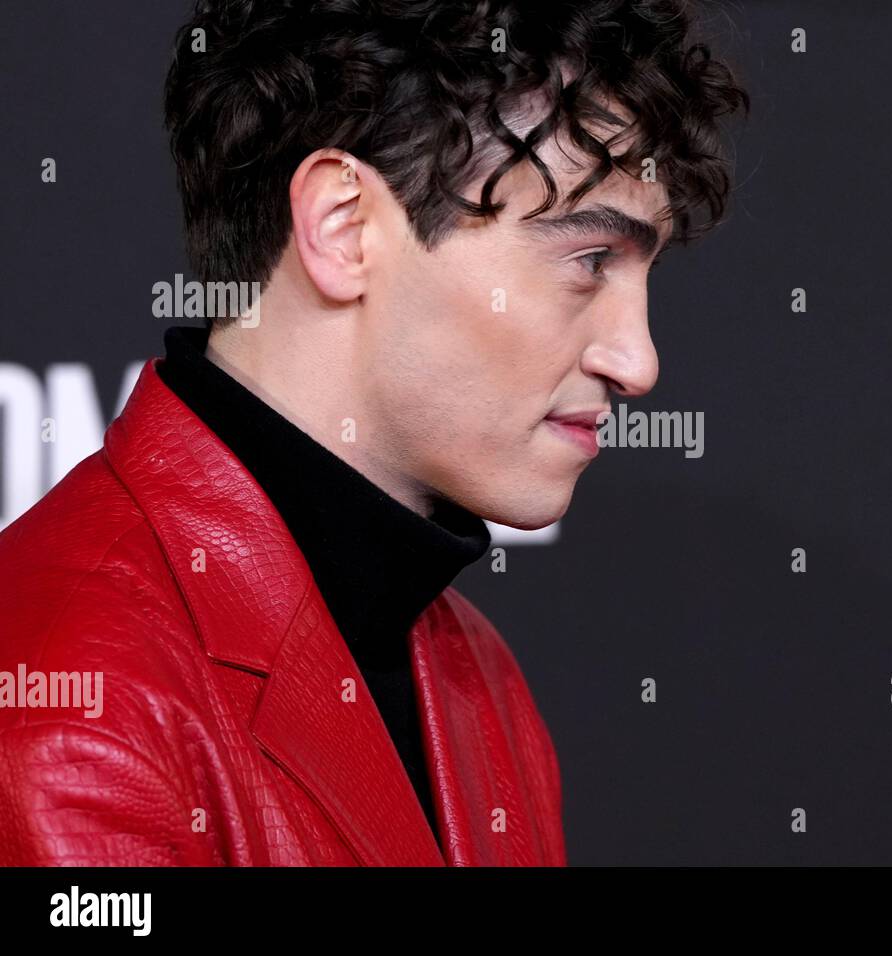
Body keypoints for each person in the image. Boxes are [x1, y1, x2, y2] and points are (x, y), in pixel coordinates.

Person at [0, 0, 747, 865]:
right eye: (588, 262)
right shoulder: (70, 711)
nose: (638, 361)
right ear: (344, 228)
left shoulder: (471, 670)